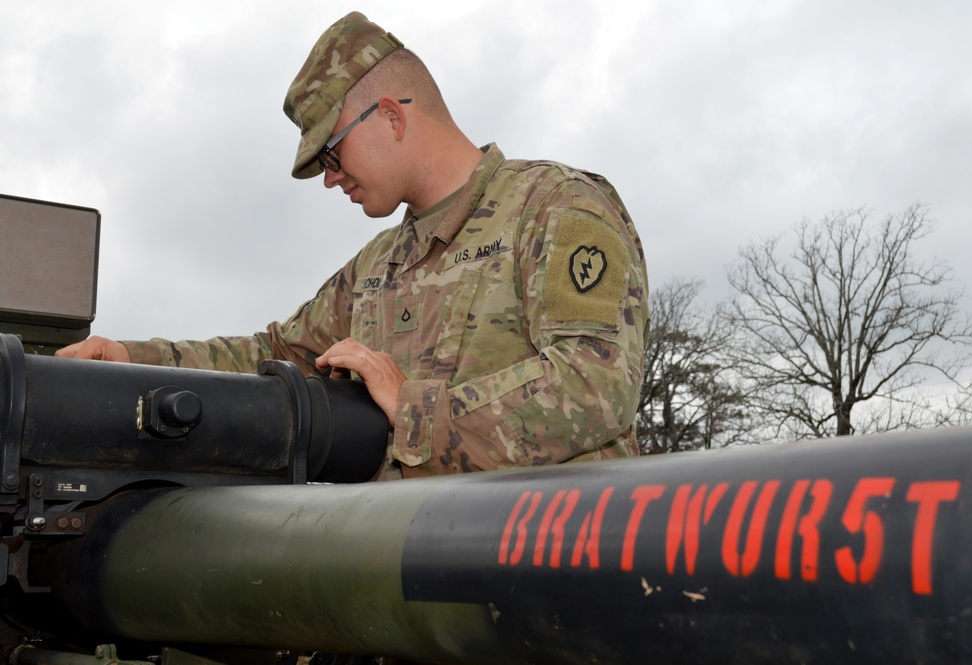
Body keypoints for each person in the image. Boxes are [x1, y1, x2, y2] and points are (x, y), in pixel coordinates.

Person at [57, 11, 649, 481]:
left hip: (541, 590)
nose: (330, 178)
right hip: (402, 591)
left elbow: (596, 386)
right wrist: (132, 361)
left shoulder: (555, 208)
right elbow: (274, 353)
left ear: (390, 116)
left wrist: (413, 408)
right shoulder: (375, 268)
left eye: (332, 155)